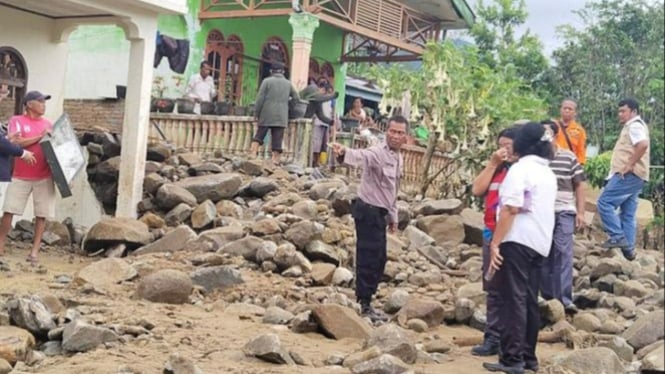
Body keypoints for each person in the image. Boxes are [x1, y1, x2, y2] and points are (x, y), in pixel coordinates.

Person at [484, 122, 558, 374]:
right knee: (528, 299)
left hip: (517, 239)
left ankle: (512, 358)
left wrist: (495, 242)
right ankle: (528, 357)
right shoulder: (548, 173)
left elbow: (510, 208)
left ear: (521, 144)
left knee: (511, 299)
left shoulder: (520, 169)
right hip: (539, 243)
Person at [330, 115, 408, 322]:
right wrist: (343, 152)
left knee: (380, 259)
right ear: (387, 132)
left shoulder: (398, 158)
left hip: (380, 213)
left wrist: (393, 217)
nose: (395, 136)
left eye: (400, 132)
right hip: (367, 210)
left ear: (405, 137)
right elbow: (360, 156)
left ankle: (367, 298)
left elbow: (392, 190)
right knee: (368, 257)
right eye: (392, 131)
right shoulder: (377, 153)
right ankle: (364, 304)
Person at [470, 125, 520, 357]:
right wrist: (492, 164)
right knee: (492, 288)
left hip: (513, 237)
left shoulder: (521, 171)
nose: (503, 151)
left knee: (511, 289)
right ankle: (492, 337)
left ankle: (508, 340)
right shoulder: (496, 169)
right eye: (500, 146)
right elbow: (477, 189)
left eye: (508, 147)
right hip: (491, 233)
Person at [0, 91, 55, 264]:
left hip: (44, 175)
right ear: (29, 104)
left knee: (41, 214)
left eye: (44, 102)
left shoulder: (48, 124)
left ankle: (34, 251)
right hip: (20, 175)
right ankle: (0, 244)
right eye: (40, 101)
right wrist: (40, 137)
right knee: (9, 210)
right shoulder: (16, 121)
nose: (43, 105)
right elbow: (14, 144)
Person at [540, 120, 587, 315]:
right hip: (542, 211)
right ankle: (548, 297)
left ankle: (564, 299)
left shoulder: (568, 157)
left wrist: (581, 212)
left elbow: (580, 185)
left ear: (555, 134)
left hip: (565, 210)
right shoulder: (536, 159)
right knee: (543, 252)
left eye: (548, 132)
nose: (545, 136)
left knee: (563, 251)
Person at [597, 98, 650, 261]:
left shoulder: (634, 125)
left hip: (628, 175)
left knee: (604, 203)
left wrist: (629, 164)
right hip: (638, 176)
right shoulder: (637, 125)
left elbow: (642, 144)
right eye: (619, 111)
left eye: (623, 111)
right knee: (627, 213)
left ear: (633, 112)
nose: (620, 114)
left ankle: (617, 236)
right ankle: (629, 250)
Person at [251, 62, 299, 165]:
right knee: (278, 138)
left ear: (271, 71)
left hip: (266, 113)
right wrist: (288, 108)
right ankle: (275, 160)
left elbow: (260, 99)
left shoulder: (267, 81)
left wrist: (256, 113)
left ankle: (253, 154)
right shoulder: (288, 83)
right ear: (283, 72)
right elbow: (296, 98)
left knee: (259, 135)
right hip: (281, 115)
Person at [311, 78, 336, 168]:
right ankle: (314, 161)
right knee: (316, 144)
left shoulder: (329, 100)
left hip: (326, 123)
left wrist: (332, 122)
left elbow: (332, 111)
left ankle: (318, 162)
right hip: (317, 122)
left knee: (323, 145)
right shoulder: (318, 97)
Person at [554, 99, 587, 165]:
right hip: (553, 162)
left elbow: (581, 152)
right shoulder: (552, 126)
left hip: (569, 164)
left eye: (570, 109)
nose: (567, 110)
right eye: (565, 108)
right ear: (560, 110)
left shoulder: (579, 130)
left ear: (575, 113)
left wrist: (579, 166)